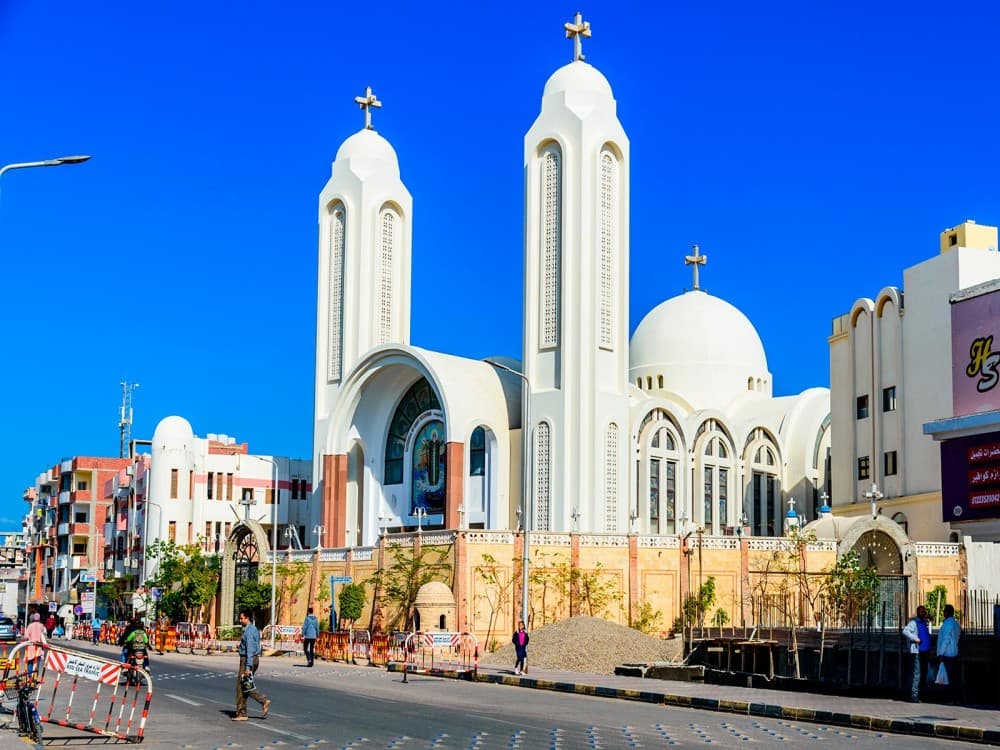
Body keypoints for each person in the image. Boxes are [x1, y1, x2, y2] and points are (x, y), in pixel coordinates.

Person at [233, 609, 269, 721]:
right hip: (253, 659)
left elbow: (250, 649)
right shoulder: (253, 629)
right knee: (245, 686)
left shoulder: (249, 631)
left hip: (248, 660)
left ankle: (245, 711)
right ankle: (243, 712)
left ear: (247, 618)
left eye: (242, 618)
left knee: (241, 686)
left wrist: (248, 667)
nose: (240, 620)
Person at [902, 605, 931, 702]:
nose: (924, 613)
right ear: (918, 612)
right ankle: (914, 696)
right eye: (922, 612)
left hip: (924, 651)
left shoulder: (924, 622)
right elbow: (905, 631)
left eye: (924, 611)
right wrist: (916, 639)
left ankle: (921, 694)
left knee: (923, 674)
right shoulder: (914, 622)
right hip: (917, 651)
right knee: (917, 674)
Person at [936, 603, 961, 702]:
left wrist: (941, 654)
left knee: (948, 678)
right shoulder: (955, 623)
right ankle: (955, 698)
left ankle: (950, 698)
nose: (943, 613)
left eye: (944, 611)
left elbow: (945, 639)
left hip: (947, 654)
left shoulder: (947, 624)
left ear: (947, 612)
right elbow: (958, 636)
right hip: (954, 652)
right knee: (953, 677)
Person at [24, 613, 47, 677]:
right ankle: (35, 677)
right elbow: (43, 635)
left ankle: (30, 677)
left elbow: (26, 636)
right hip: (39, 647)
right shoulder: (41, 626)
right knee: (37, 663)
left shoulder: (30, 626)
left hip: (31, 647)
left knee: (30, 662)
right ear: (39, 618)